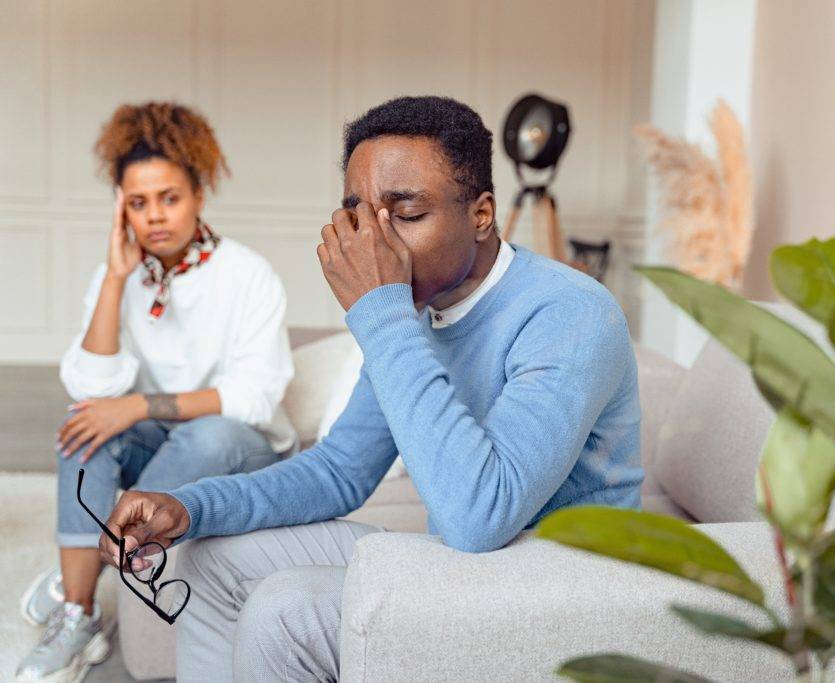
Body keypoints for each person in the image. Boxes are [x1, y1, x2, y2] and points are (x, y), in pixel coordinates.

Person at [98, 95, 643, 681]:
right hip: (467, 566)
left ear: (481, 214)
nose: (376, 244)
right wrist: (190, 505)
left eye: (406, 214)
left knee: (286, 611)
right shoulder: (419, 309)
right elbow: (340, 470)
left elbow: (479, 516)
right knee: (211, 558)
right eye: (359, 216)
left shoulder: (570, 313)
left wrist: (382, 315)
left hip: (557, 587)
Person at [16, 102, 296, 683]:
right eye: (137, 203)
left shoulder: (247, 274)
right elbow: (91, 385)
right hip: (162, 450)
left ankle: (89, 564)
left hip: (242, 454)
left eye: (169, 197)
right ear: (121, 207)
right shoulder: (116, 276)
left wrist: (141, 404)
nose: (155, 216)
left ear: (199, 192)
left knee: (207, 433)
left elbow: (254, 398)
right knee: (85, 424)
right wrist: (117, 278)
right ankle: (80, 612)